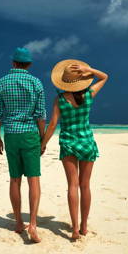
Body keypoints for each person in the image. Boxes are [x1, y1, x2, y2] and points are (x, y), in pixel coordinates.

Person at [41, 59, 108, 240]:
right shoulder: (88, 94)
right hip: (87, 142)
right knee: (85, 186)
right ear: (81, 80)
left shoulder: (60, 99)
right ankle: (85, 227)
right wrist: (88, 69)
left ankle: (76, 229)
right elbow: (104, 77)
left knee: (72, 185)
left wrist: (43, 143)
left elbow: (53, 124)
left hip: (69, 143)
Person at [0, 47, 46, 243]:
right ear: (29, 64)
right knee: (34, 179)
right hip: (30, 133)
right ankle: (32, 223)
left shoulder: (1, 82)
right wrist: (43, 137)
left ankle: (17, 222)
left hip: (11, 134)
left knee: (15, 178)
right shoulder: (36, 82)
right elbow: (40, 115)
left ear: (13, 63)